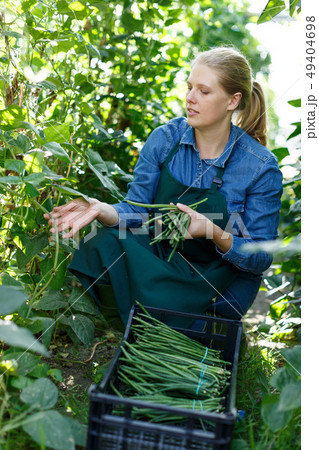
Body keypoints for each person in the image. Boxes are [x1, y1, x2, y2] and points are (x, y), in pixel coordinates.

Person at [44, 46, 283, 329]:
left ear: (233, 100)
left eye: (204, 92)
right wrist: (102, 210)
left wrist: (214, 232)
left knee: (198, 319)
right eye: (190, 87)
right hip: (165, 257)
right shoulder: (165, 139)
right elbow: (136, 210)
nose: (190, 98)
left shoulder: (260, 166)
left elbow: (260, 257)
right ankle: (154, 320)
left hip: (219, 277)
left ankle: (161, 320)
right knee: (103, 241)